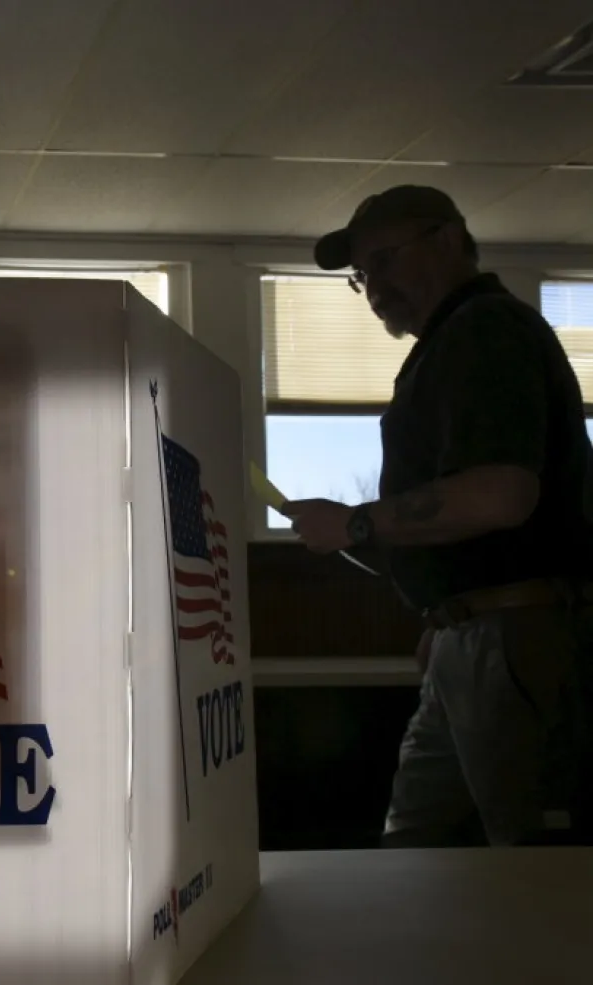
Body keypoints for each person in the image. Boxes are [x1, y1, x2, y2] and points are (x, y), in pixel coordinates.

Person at [282, 185, 592, 847]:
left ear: (448, 240)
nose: (374, 287)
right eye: (363, 275)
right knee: (417, 849)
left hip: (514, 638)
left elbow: (501, 495)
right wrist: (447, 612)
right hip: (472, 636)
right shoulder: (451, 344)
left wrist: (357, 522)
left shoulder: (485, 330)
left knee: (538, 871)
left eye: (385, 261)